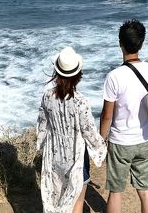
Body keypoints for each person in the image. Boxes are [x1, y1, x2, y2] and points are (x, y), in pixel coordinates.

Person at [100, 19, 148, 213]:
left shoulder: (114, 76)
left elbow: (106, 115)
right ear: (141, 43)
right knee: (145, 191)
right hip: (144, 139)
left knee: (115, 192)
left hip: (120, 141)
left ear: (120, 43)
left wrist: (101, 140)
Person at [37, 46, 107, 213]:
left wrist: (40, 146)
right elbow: (88, 132)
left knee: (58, 198)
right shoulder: (80, 102)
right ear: (78, 75)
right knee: (77, 201)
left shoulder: (47, 96)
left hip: (54, 156)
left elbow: (42, 126)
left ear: (56, 73)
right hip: (76, 158)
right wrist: (101, 149)